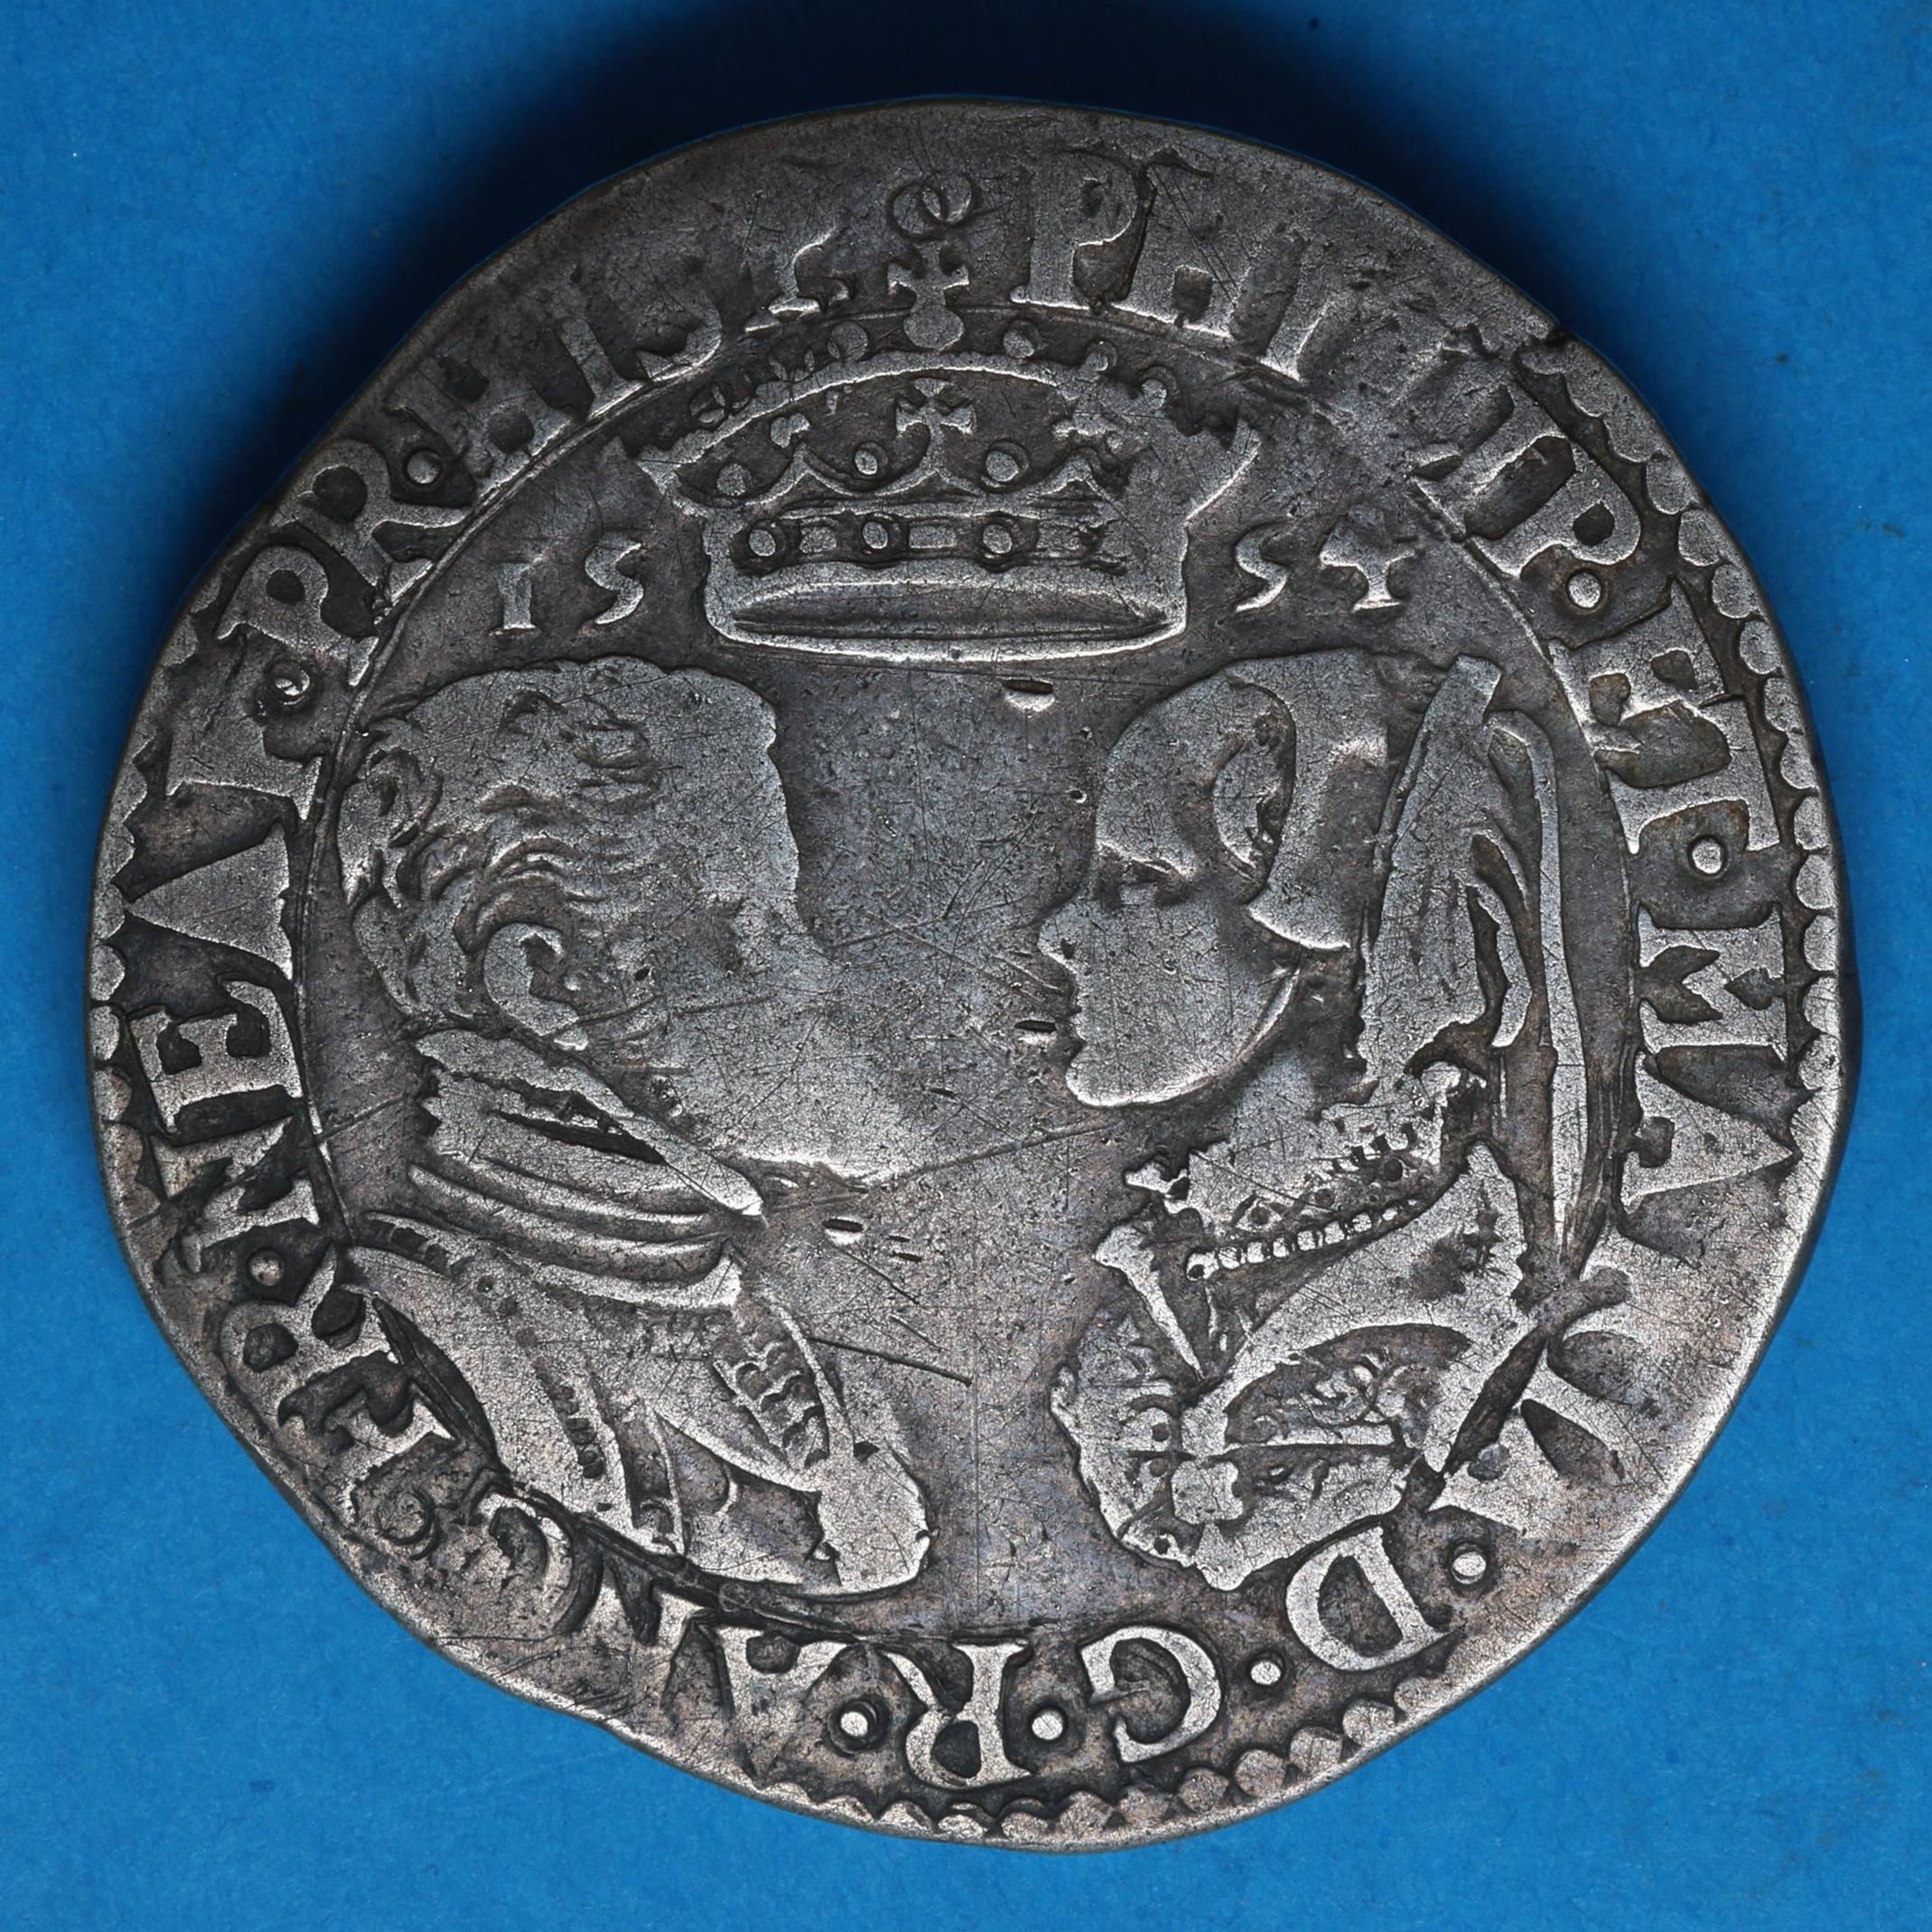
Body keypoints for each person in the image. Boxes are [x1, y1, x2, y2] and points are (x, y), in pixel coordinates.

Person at [334, 656, 929, 1598]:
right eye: (752, 924)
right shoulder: (431, 1335)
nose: (814, 976)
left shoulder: (721, 1294)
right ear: (544, 983)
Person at [1039, 649, 1603, 1589]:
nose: (1057, 934)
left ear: (1300, 930)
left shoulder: (1432, 1319)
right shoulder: (1201, 1260)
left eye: (1138, 879)